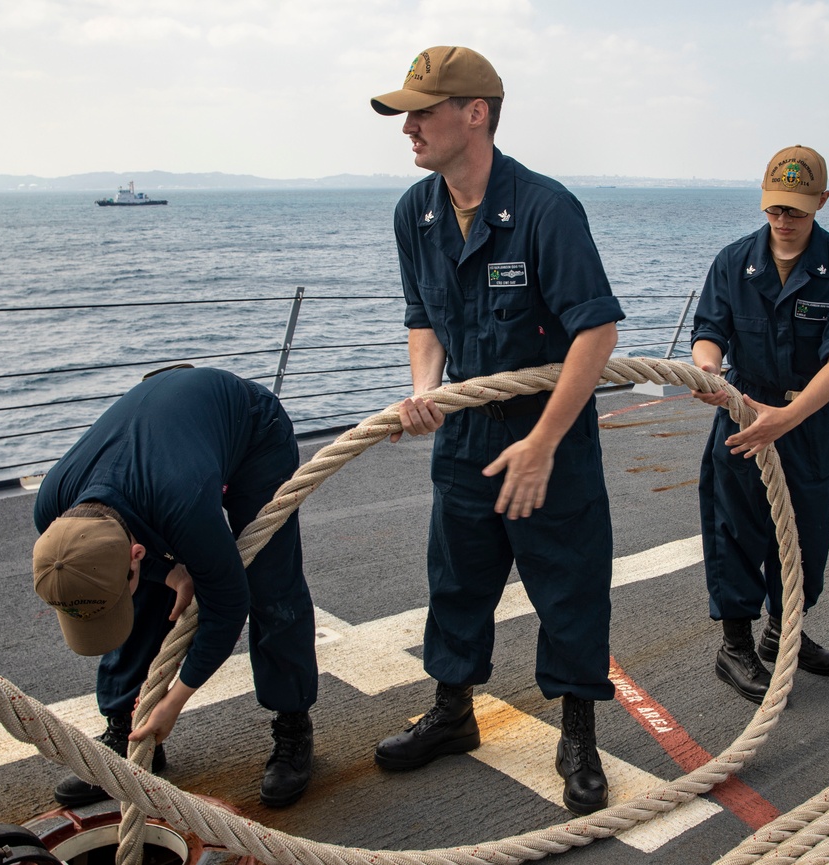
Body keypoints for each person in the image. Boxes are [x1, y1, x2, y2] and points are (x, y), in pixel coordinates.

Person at [370, 46, 624, 816]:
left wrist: (544, 442)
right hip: (467, 437)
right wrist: (425, 390)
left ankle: (577, 735)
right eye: (406, 112)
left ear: (474, 112)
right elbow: (424, 318)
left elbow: (597, 332)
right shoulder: (414, 211)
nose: (407, 126)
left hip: (551, 437)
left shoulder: (546, 209)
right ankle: (453, 712)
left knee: (569, 588)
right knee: (456, 580)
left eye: (422, 109)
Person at [32, 365, 317, 808]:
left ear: (135, 554)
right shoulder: (53, 511)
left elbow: (227, 606)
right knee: (141, 595)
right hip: (169, 454)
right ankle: (127, 728)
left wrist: (175, 699)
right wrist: (170, 573)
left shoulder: (179, 503)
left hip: (251, 432)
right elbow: (122, 574)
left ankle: (292, 723)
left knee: (270, 585)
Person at [691, 145, 829, 703]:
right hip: (743, 415)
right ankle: (736, 646)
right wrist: (708, 373)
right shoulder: (733, 261)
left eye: (796, 209)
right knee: (736, 531)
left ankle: (782, 632)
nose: (784, 221)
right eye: (774, 209)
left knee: (807, 537)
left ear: (821, 201)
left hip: (805, 420)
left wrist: (788, 418)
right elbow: (709, 331)